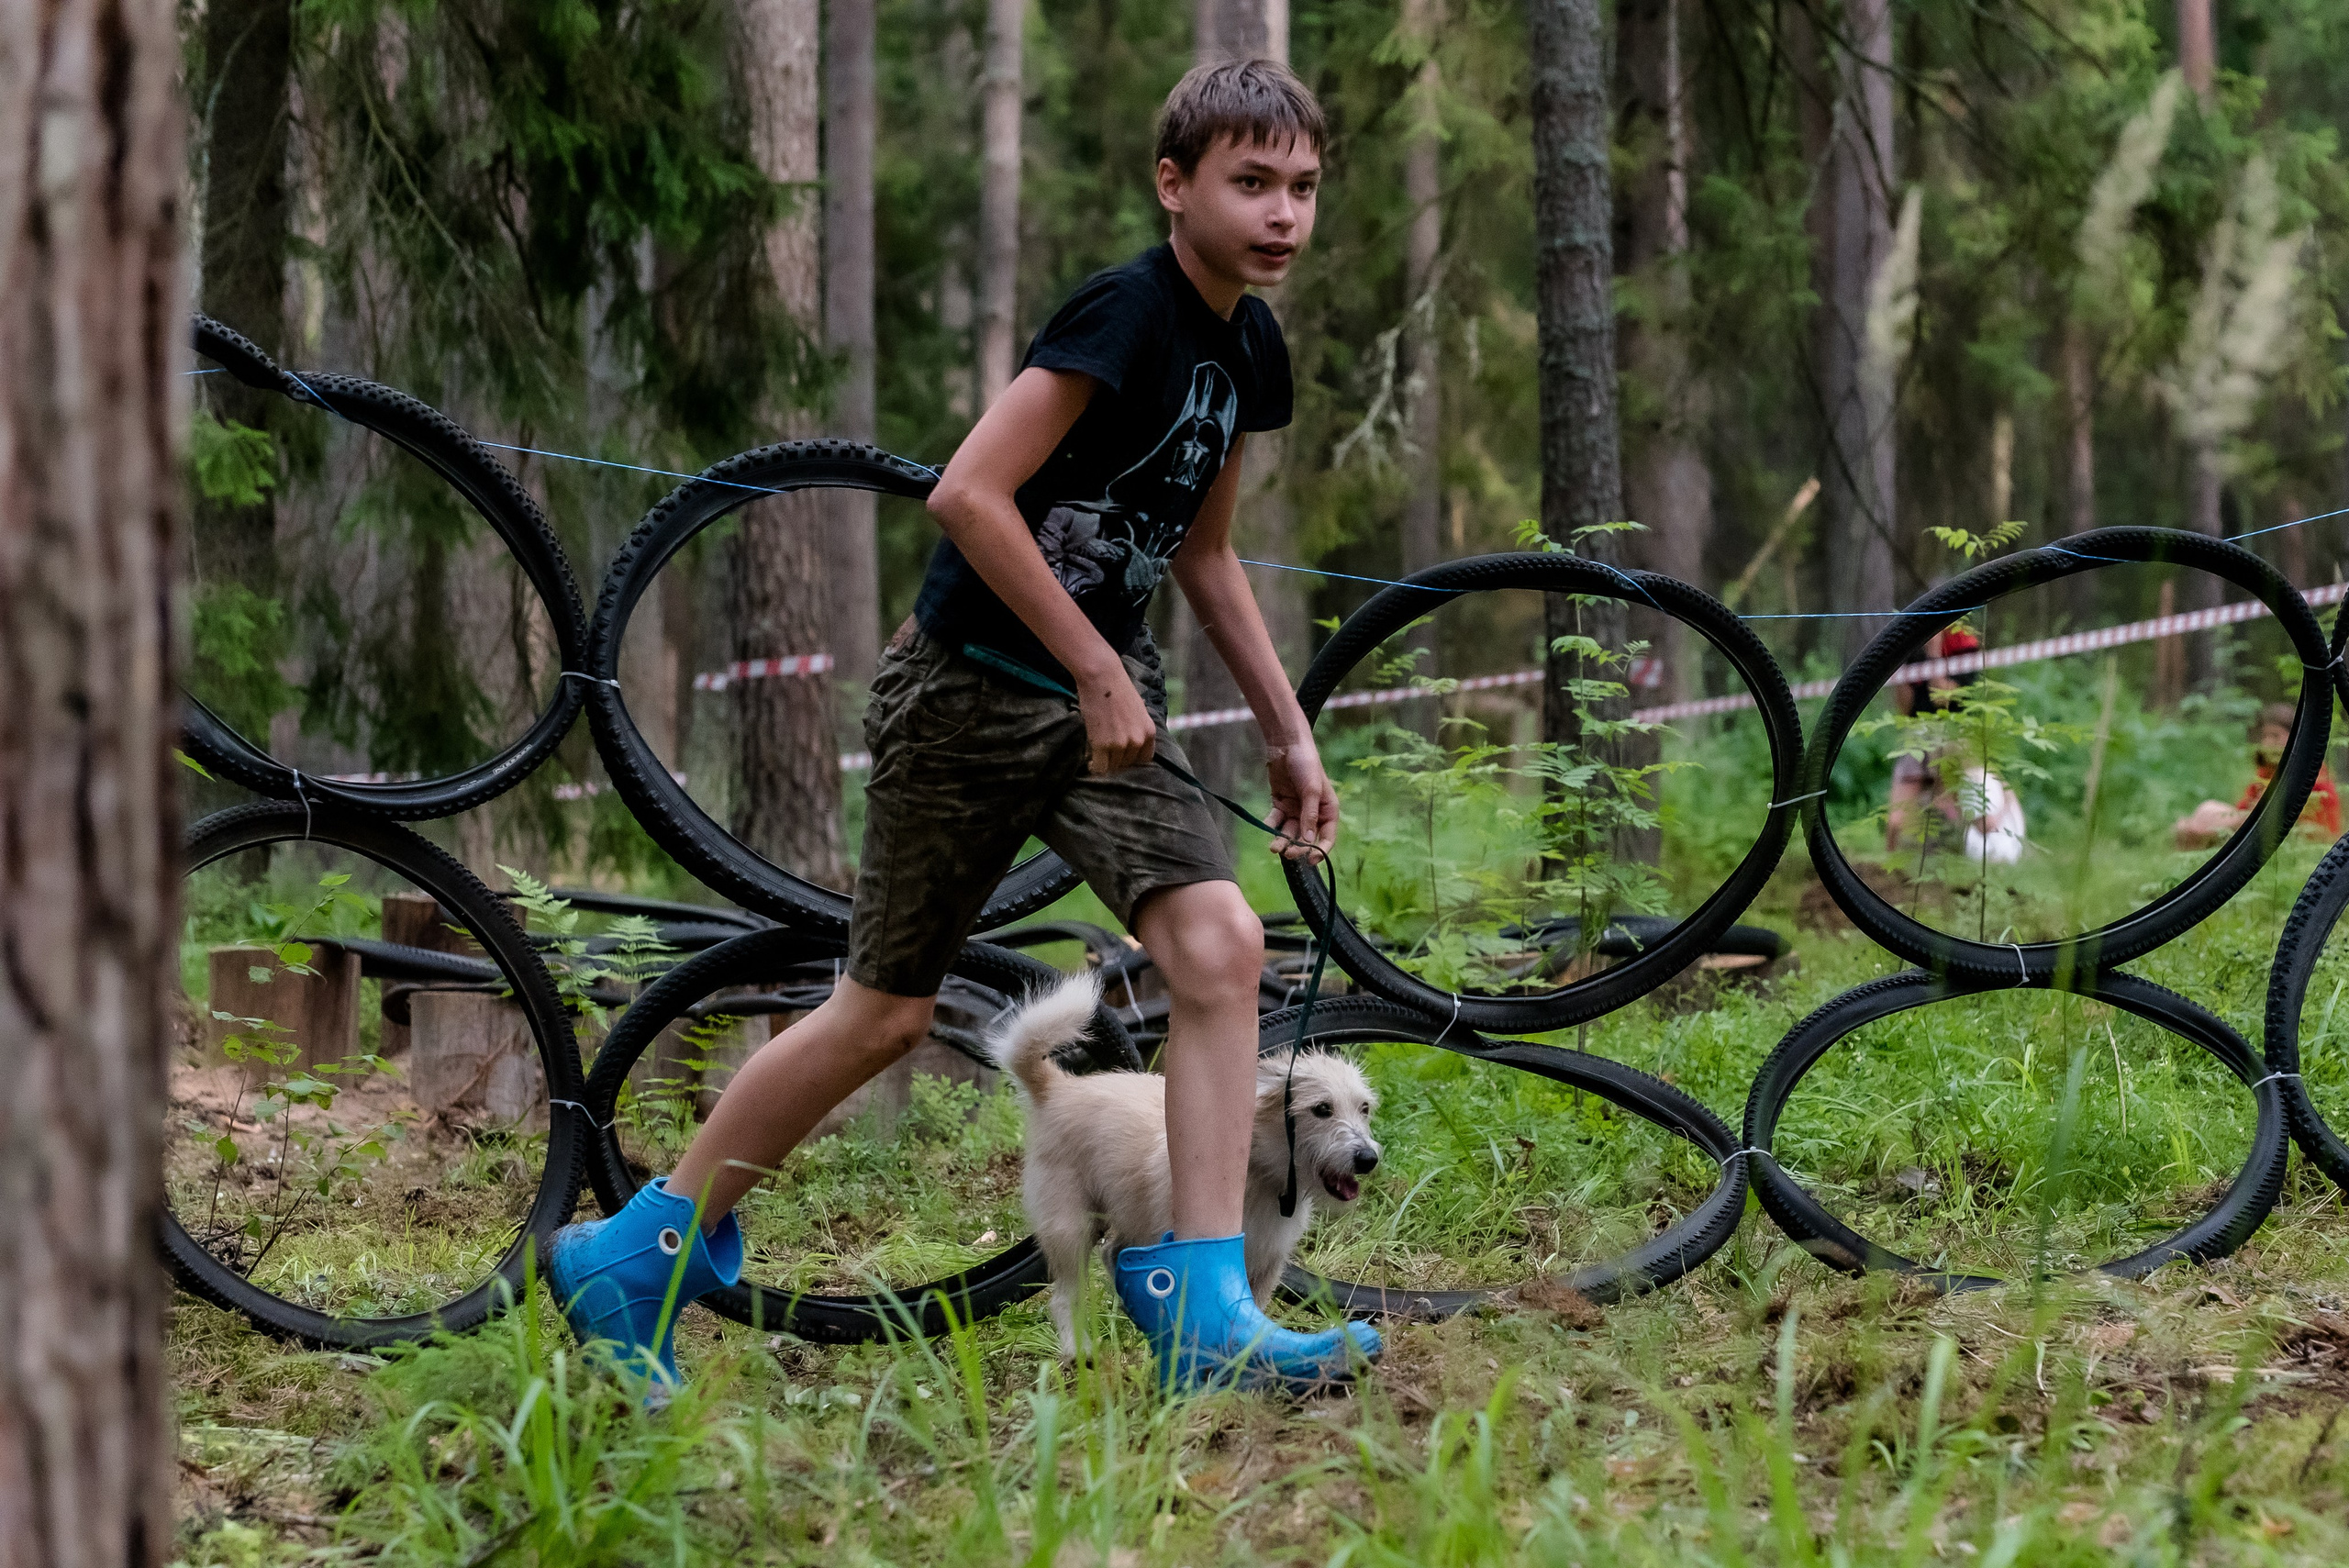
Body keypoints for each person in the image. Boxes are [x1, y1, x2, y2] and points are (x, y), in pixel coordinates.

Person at [549, 60, 1379, 1393]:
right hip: (968, 697)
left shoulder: (1247, 351)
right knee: (882, 1015)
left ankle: (1202, 1307)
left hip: (1104, 706)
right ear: (1175, 187)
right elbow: (969, 496)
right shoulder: (1127, 310)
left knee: (1222, 945)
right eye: (1251, 183)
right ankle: (635, 1254)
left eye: (1302, 188)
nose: (1282, 213)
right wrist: (1095, 667)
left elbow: (1208, 556)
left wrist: (1289, 729)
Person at [2174, 702, 2343, 850]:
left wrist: (2208, 830)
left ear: (2296, 738)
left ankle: (2197, 837)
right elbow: (2242, 809)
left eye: (2275, 736)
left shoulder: (2311, 771)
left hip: (2304, 842)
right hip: (2265, 835)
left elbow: (2296, 821)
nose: (2268, 742)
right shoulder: (2267, 772)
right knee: (2208, 809)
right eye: (2265, 736)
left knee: (2203, 819)